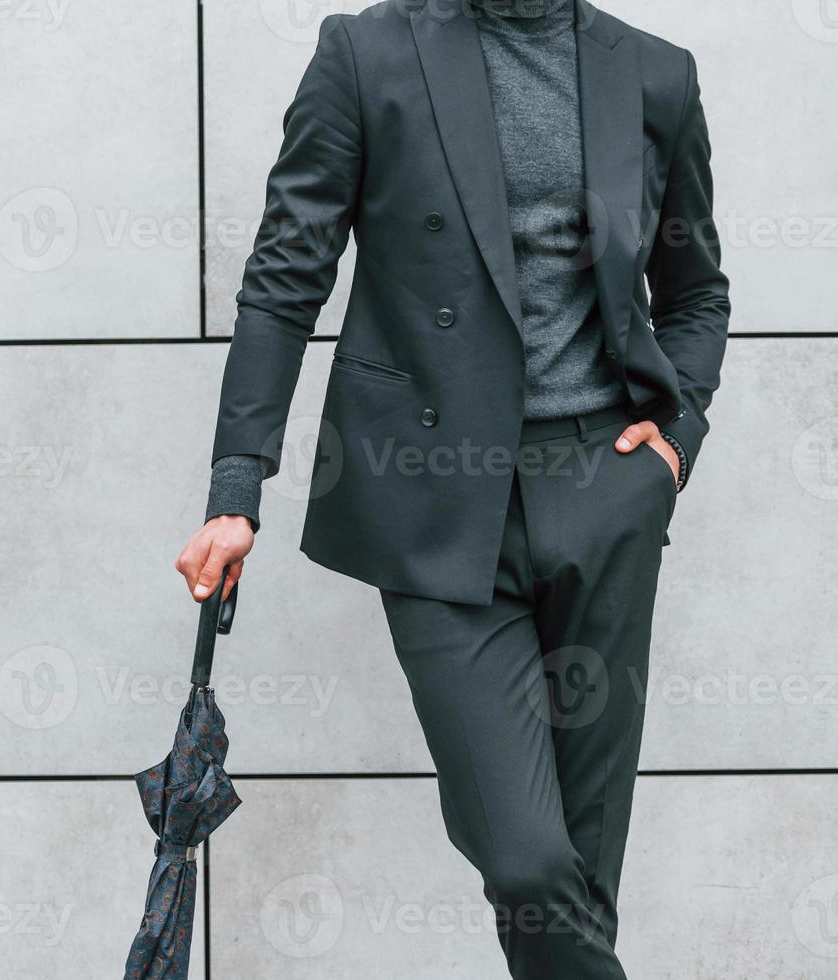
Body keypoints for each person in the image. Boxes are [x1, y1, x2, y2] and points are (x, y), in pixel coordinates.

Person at [173, 1, 729, 976]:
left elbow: (695, 293)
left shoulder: (652, 72)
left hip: (605, 496)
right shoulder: (369, 51)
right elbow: (284, 271)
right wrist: (234, 483)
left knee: (580, 889)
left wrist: (672, 441)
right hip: (433, 503)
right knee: (525, 862)